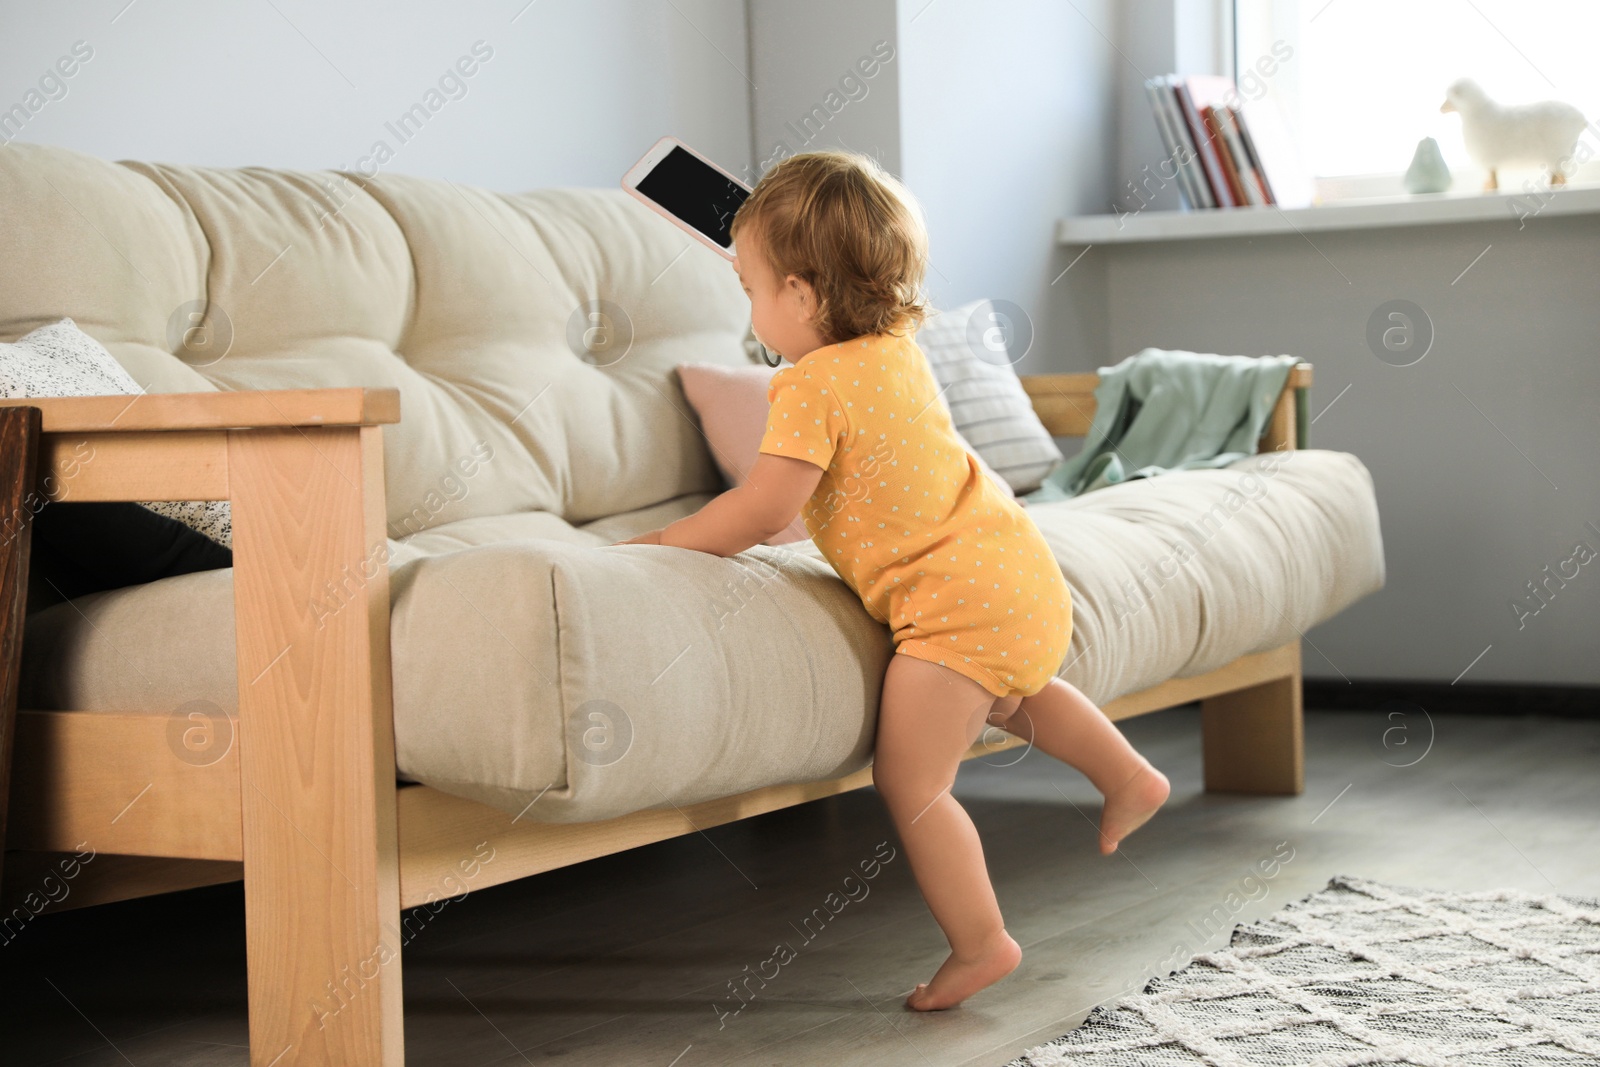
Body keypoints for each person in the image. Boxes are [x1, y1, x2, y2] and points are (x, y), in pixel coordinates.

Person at [613, 150, 1169, 1011]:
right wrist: (765, 245)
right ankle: (1128, 774)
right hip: (1015, 574)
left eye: (752, 290)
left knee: (912, 783)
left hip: (952, 609)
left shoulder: (808, 385)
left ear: (800, 296)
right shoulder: (895, 349)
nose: (749, 311)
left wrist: (660, 541)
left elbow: (765, 513)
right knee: (1016, 693)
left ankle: (983, 941)